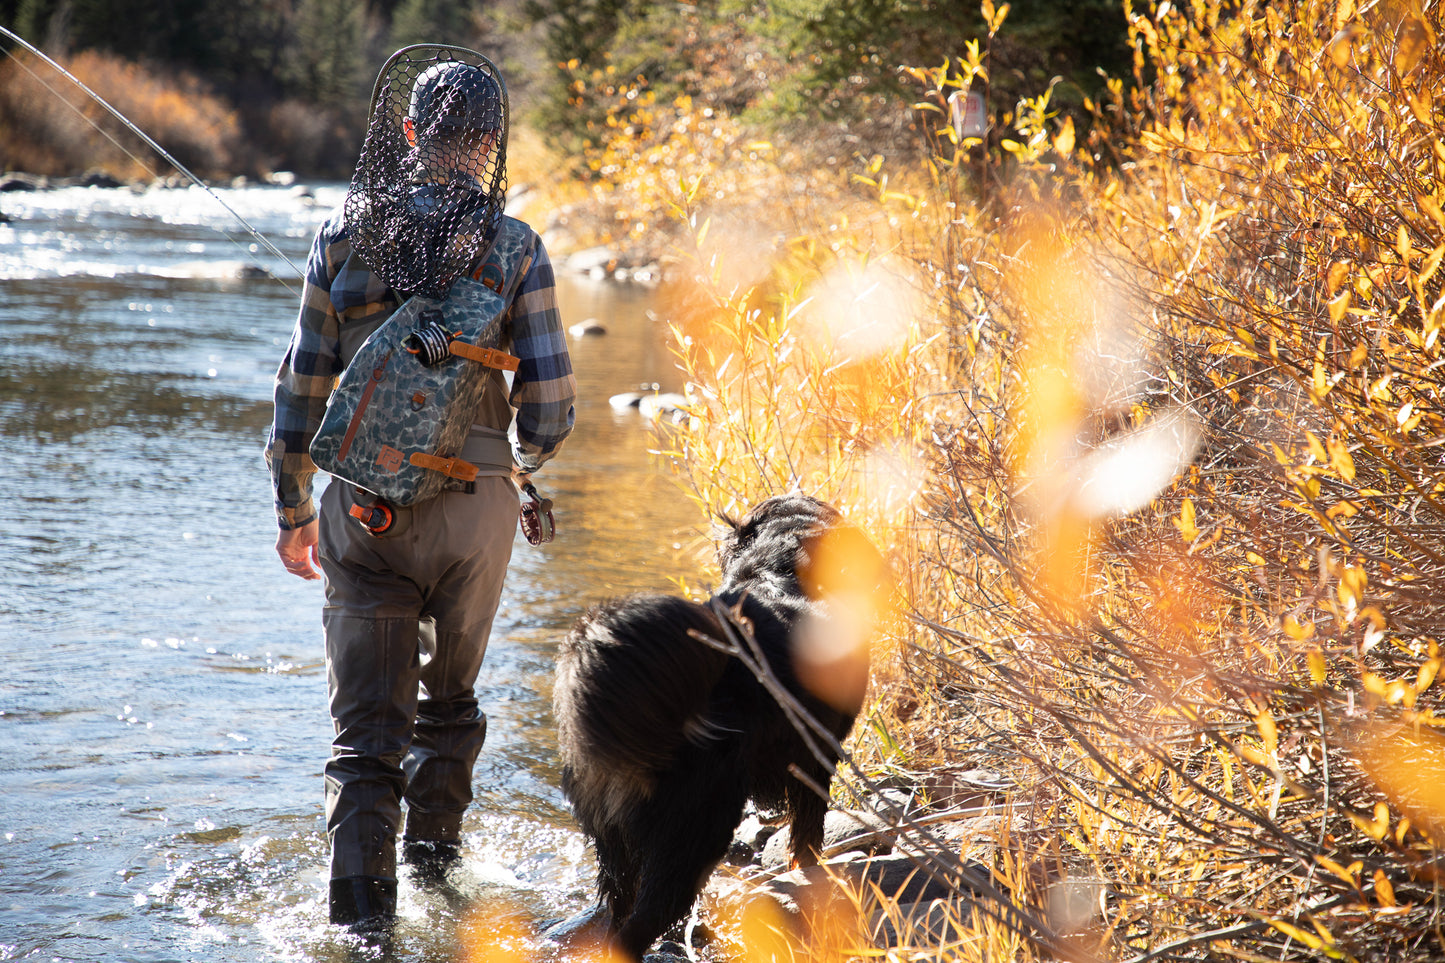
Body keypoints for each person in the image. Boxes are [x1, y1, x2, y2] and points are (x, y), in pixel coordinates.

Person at [264, 51, 576, 935]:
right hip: (475, 510)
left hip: (363, 511)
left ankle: (362, 932)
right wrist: (514, 464)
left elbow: (300, 392)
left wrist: (293, 511)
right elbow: (548, 411)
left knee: (365, 738)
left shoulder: (338, 234)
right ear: (488, 144)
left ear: (406, 134)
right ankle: (440, 894)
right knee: (450, 704)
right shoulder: (516, 247)